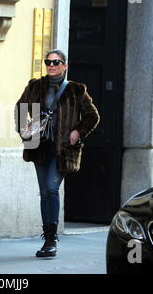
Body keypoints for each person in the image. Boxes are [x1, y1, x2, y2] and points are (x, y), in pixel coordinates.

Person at [15, 49, 100, 258]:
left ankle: (52, 240)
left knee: (52, 189)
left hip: (62, 150)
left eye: (56, 62)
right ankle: (47, 239)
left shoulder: (76, 90)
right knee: (44, 192)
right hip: (40, 147)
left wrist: (77, 132)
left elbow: (92, 116)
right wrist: (24, 128)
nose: (51, 65)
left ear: (65, 65)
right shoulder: (35, 86)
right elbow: (20, 107)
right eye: (48, 62)